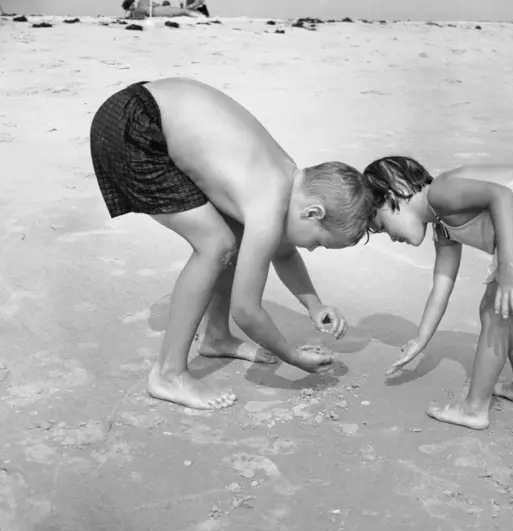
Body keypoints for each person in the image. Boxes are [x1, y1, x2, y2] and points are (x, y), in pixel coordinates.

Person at [90, 78, 373, 411]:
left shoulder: (286, 179)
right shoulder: (268, 200)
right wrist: (291, 356)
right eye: (319, 243)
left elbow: (282, 250)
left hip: (147, 110)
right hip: (135, 126)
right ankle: (168, 374)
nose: (311, 250)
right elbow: (247, 310)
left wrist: (314, 306)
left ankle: (215, 337)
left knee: (236, 235)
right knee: (216, 244)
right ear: (313, 212)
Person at [363, 157, 513, 430]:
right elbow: (442, 286)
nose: (391, 237)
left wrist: (508, 263)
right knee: (502, 310)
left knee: (494, 312)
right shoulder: (443, 226)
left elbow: (502, 195)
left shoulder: (441, 192)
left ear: (395, 191)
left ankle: (474, 408)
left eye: (381, 226)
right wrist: (420, 339)